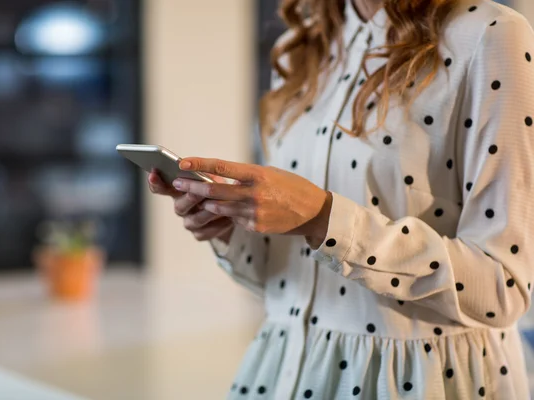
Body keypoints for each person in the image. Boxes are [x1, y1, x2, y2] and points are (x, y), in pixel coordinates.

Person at [148, 0, 534, 398]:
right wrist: (230, 227)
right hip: (287, 369)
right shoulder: (302, 46)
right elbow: (286, 277)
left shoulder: (491, 34)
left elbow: (502, 287)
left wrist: (323, 218)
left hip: (420, 379)